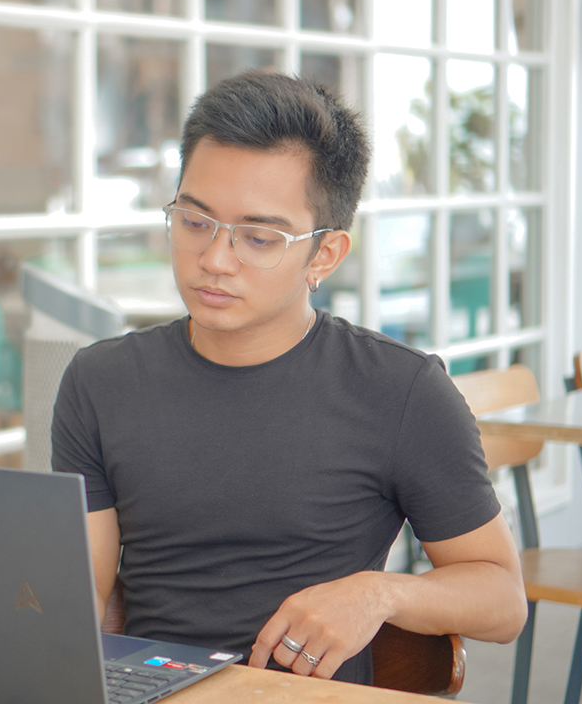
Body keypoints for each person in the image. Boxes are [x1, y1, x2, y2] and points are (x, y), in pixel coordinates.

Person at [50, 70, 527, 685]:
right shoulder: (100, 382)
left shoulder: (399, 391)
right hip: (148, 689)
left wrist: (379, 594)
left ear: (324, 255)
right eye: (194, 221)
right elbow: (84, 596)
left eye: (258, 237)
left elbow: (503, 601)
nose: (214, 260)